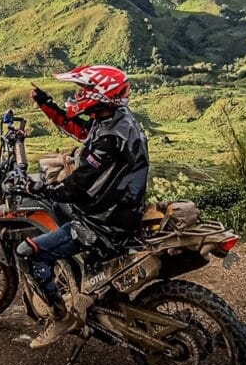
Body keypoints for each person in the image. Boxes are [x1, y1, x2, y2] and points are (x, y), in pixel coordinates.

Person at [17, 65, 149, 349]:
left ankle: (61, 317)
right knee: (61, 213)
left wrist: (43, 188)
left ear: (101, 95)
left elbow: (78, 183)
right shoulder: (115, 119)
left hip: (104, 219)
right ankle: (89, 287)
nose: (79, 95)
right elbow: (79, 129)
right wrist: (46, 103)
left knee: (28, 253)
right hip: (121, 208)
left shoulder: (109, 139)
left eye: (84, 91)